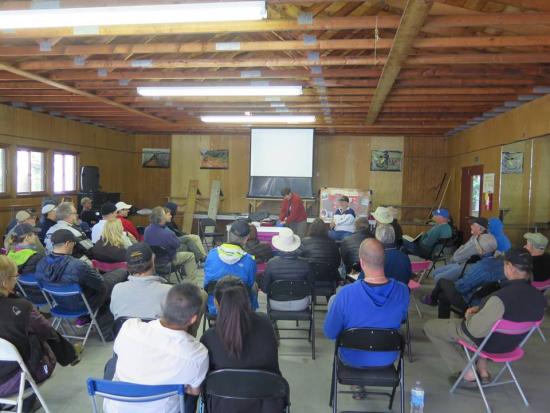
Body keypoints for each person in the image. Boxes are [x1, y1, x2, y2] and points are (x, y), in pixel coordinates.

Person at [424, 248, 546, 387]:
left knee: (431, 327)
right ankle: (483, 370)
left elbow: (473, 331)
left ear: (510, 268)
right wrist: (484, 310)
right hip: (511, 345)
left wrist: (470, 314)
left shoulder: (501, 298)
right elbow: (511, 315)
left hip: (489, 344)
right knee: (491, 328)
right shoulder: (539, 299)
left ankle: (467, 373)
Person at [324, 238, 409, 400]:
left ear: (362, 262)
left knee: (335, 302)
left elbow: (330, 332)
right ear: (384, 260)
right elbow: (401, 318)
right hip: (387, 357)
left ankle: (356, 381)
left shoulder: (346, 293)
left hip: (352, 358)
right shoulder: (403, 291)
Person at [104, 283, 209, 413]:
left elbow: (120, 354)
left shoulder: (129, 328)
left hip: (116, 408)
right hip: (163, 409)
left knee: (113, 364)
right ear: (193, 319)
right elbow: (194, 391)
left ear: (163, 305)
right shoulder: (197, 355)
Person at [0, 256, 79, 412]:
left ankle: (70, 354)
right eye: (15, 277)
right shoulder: (22, 307)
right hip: (14, 380)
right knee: (41, 334)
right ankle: (70, 355)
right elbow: (46, 332)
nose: (16, 280)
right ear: (4, 282)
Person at [200, 276, 282, 413]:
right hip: (267, 405)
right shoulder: (265, 324)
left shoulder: (209, 338)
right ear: (247, 301)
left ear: (216, 303)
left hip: (222, 407)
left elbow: (204, 383)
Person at [36, 229, 127, 334]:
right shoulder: (77, 266)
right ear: (67, 243)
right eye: (73, 243)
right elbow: (100, 285)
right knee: (122, 272)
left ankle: (88, 318)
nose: (74, 245)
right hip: (84, 303)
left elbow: (41, 285)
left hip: (60, 303)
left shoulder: (41, 264)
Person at [422, 241, 502, 319]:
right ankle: (436, 306)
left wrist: (454, 283)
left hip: (471, 302)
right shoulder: (501, 262)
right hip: (488, 300)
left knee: (441, 281)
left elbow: (462, 288)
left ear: (481, 250)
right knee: (443, 295)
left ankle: (432, 300)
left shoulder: (480, 267)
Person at [204, 219, 258, 315]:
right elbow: (249, 285)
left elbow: (206, 283)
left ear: (228, 233)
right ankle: (251, 316)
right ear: (246, 238)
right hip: (241, 311)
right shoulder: (249, 260)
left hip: (215, 309)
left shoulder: (211, 254)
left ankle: (214, 322)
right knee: (254, 286)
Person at [109, 243, 172, 322]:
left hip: (126, 334)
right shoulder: (169, 292)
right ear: (153, 259)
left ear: (127, 265)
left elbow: (114, 313)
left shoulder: (117, 289)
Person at [144, 206, 199, 284]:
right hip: (167, 262)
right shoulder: (167, 233)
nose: (170, 216)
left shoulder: (147, 229)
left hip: (152, 261)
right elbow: (177, 245)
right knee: (190, 256)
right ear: (162, 218)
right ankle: (193, 284)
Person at [433, 217, 498, 282]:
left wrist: (461, 247)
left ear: (479, 228)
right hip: (474, 264)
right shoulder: (489, 236)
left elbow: (456, 257)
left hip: (470, 267)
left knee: (437, 277)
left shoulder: (476, 242)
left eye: (473, 225)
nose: (471, 226)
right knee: (437, 271)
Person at [262, 227, 312, 311]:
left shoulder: (271, 263)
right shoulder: (305, 263)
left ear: (278, 246)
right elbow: (311, 285)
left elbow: (265, 288)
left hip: (276, 303)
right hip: (301, 303)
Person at [301, 218, 341, 287]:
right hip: (329, 276)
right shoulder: (332, 242)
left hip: (310, 277)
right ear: (325, 229)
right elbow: (337, 262)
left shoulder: (304, 241)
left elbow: (301, 260)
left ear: (311, 228)